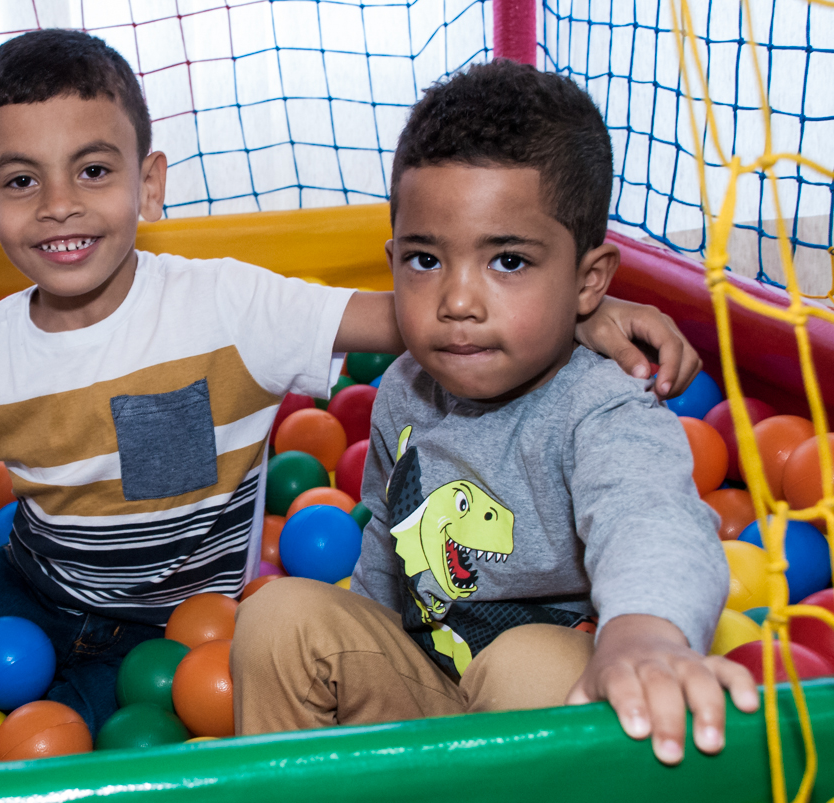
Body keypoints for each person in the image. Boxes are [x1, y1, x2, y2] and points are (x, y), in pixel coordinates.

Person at [0, 33, 702, 734]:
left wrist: (579, 316)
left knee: (108, 733)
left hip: (177, 630)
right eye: (20, 181)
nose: (58, 206)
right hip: (34, 590)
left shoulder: (227, 305)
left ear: (150, 183)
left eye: (93, 170)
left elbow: (634, 500)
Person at [231, 59, 759, 766]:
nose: (457, 300)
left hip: (556, 709)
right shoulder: (403, 390)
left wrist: (645, 634)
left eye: (506, 261)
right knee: (278, 615)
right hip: (428, 695)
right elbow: (390, 558)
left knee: (527, 661)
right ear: (390, 262)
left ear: (589, 281)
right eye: (424, 261)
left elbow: (652, 518)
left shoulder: (600, 404)